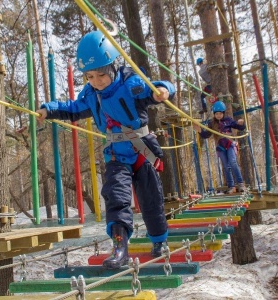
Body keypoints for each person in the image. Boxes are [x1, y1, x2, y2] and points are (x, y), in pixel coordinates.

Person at [36, 30, 176, 269]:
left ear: (113, 66)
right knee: (116, 199)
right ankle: (120, 247)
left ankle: (159, 241)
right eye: (90, 76)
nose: (96, 81)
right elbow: (72, 107)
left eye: (101, 74)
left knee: (150, 199)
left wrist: (162, 90)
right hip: (116, 155)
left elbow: (155, 89)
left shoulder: (130, 83)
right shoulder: (91, 95)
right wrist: (48, 109)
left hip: (142, 151)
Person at [193, 101, 245, 194]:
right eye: (217, 114)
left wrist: (241, 124)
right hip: (220, 146)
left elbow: (239, 127)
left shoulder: (228, 120)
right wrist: (200, 131)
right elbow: (206, 135)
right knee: (226, 166)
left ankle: (240, 183)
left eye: (220, 113)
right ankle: (231, 186)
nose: (219, 115)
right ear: (214, 114)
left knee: (233, 162)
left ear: (223, 113)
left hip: (229, 144)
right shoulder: (211, 123)